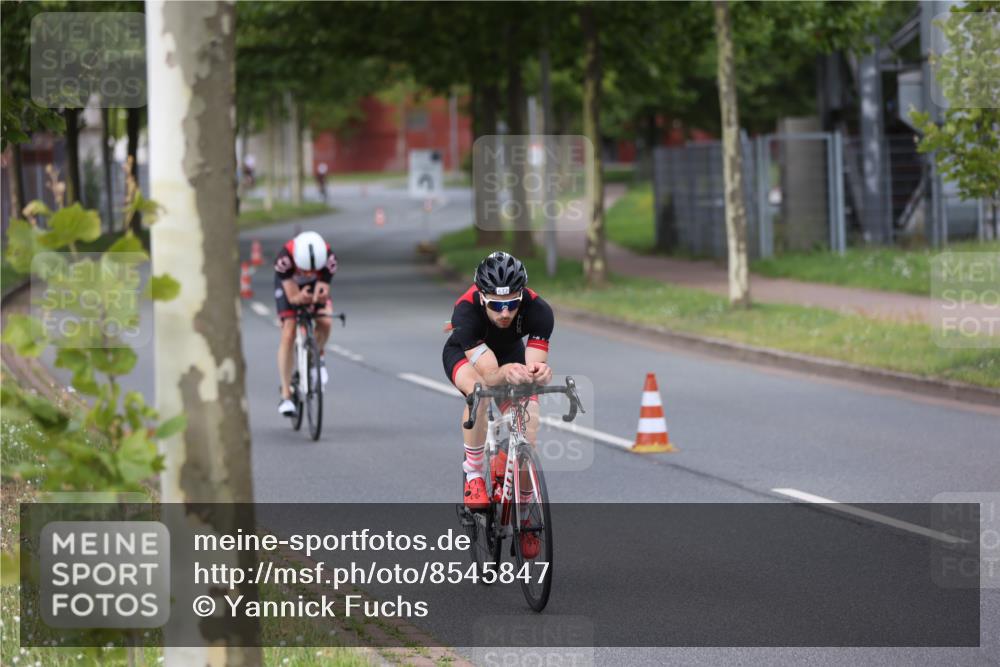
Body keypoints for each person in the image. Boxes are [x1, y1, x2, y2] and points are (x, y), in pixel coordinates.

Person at [442, 251, 553, 556]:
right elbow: (490, 375)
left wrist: (538, 372)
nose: (505, 313)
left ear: (522, 297)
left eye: (512, 304)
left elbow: (533, 365)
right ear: (481, 298)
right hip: (466, 356)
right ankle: (475, 473)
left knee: (529, 418)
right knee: (478, 393)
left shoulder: (539, 310)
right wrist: (503, 373)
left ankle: (527, 511)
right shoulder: (464, 312)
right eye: (496, 306)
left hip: (509, 354)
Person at [275, 231, 338, 417]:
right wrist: (298, 298)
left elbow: (324, 287)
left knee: (325, 320)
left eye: (313, 269)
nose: (309, 272)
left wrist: (320, 295)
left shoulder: (329, 258)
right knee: (289, 332)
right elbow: (293, 297)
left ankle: (317, 358)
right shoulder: (284, 260)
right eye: (305, 269)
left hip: (313, 285)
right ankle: (286, 395)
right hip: (289, 285)